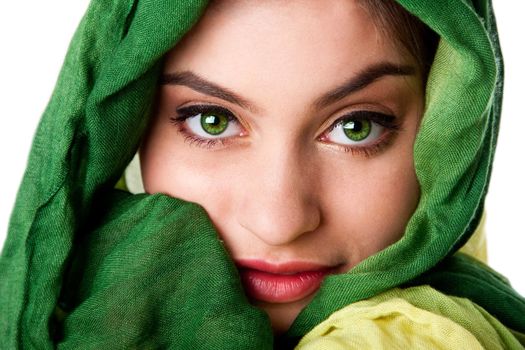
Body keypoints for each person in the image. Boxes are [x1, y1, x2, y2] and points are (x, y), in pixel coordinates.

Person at [0, 0, 524, 348]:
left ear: (448, 135)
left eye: (356, 127)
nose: (279, 222)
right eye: (214, 121)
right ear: (127, 124)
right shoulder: (75, 300)